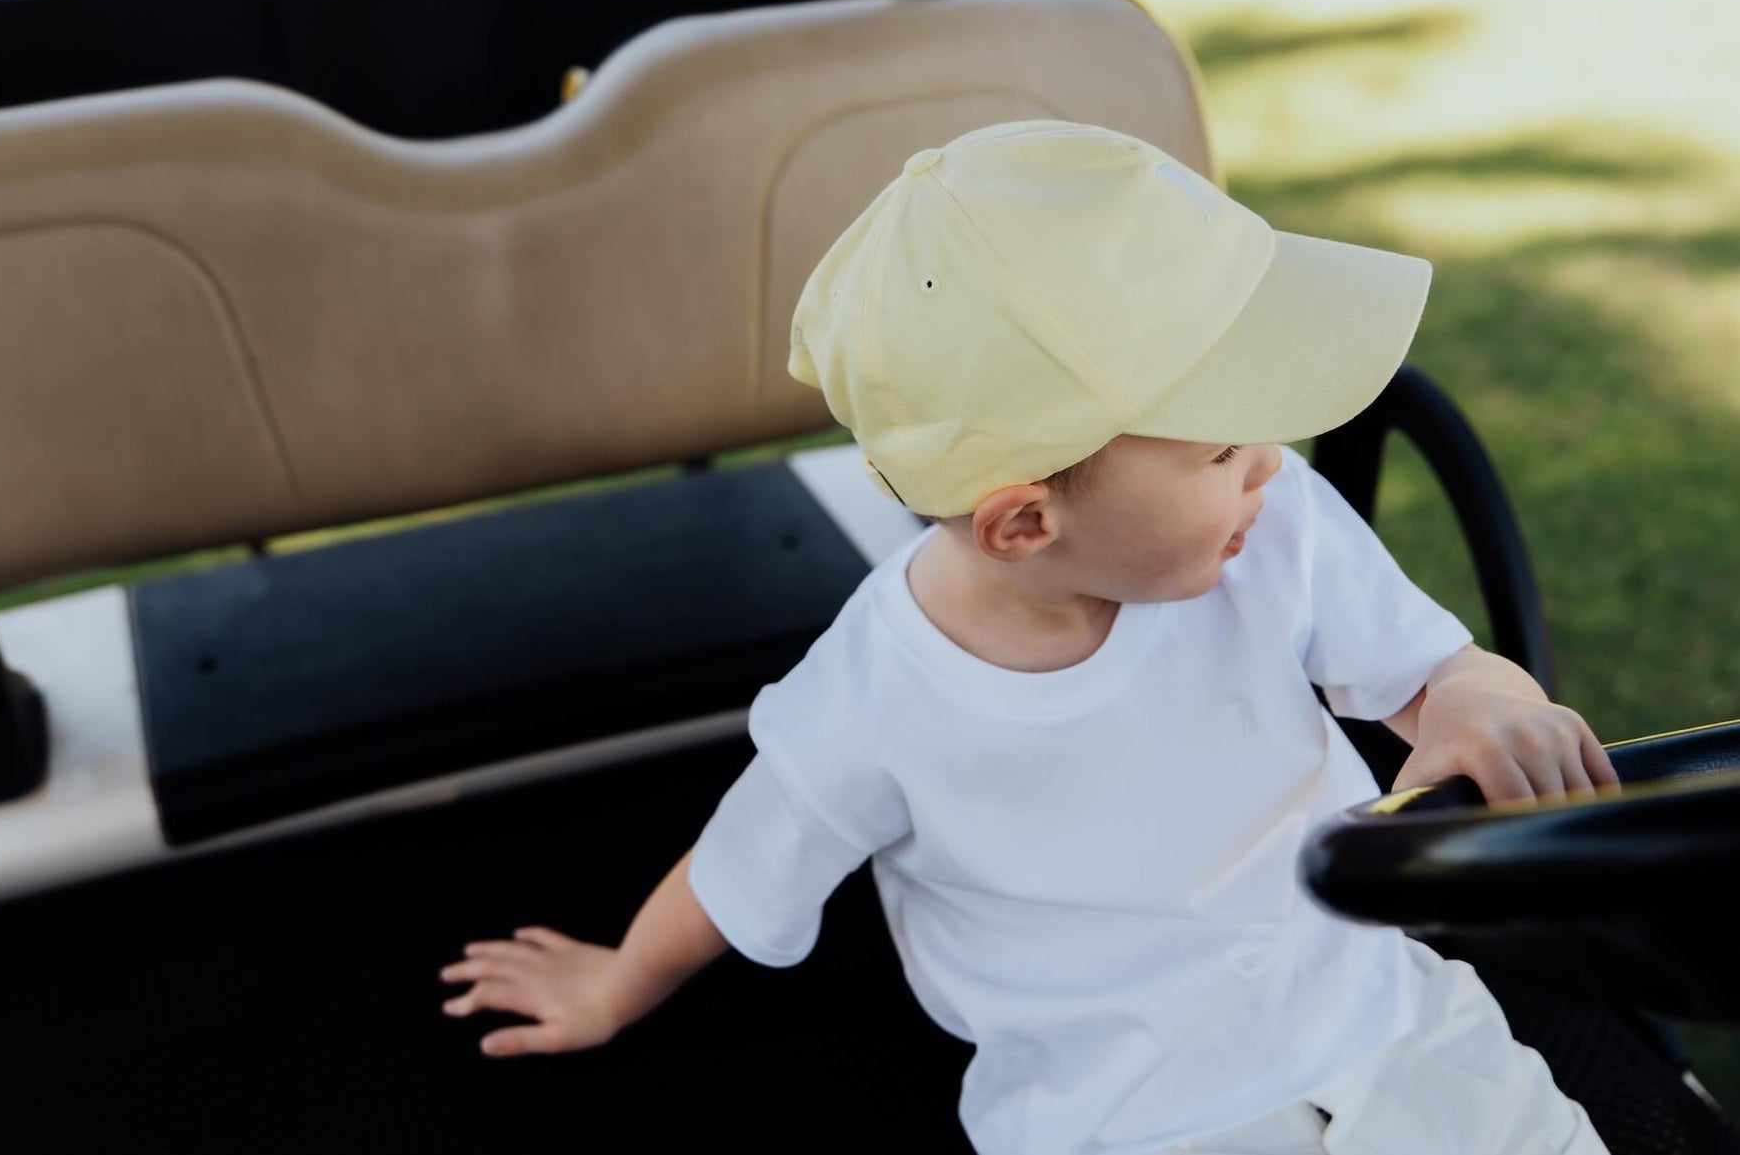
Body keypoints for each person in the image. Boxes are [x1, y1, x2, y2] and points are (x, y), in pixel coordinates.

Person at [438, 120, 1619, 1154]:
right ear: (1022, 520)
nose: (1271, 457)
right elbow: (739, 865)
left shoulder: (1268, 525)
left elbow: (1428, 671)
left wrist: (1479, 694)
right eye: (1218, 447)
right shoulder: (873, 695)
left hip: (1384, 1018)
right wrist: (610, 984)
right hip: (1121, 1110)